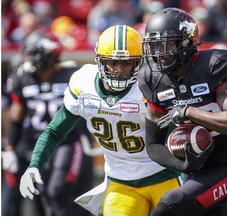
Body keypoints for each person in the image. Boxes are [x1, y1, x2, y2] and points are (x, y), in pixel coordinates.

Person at [19, 24, 181, 216]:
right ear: (100, 61)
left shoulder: (152, 85)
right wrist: (35, 164)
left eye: (126, 63)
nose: (119, 70)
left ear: (139, 63)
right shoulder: (83, 83)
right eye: (112, 62)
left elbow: (177, 131)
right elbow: (55, 132)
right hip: (121, 182)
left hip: (163, 177)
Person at [138, 7, 227, 216]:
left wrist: (189, 111)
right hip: (195, 170)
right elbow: (154, 145)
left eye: (167, 45)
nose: (159, 54)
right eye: (154, 46)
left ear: (186, 42)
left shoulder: (212, 65)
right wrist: (183, 164)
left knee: (171, 204)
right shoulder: (152, 79)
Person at [3, 30, 93, 216]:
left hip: (66, 142)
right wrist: (11, 148)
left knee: (57, 190)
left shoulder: (70, 75)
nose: (27, 58)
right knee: (44, 192)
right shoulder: (22, 79)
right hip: (36, 144)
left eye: (32, 54)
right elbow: (16, 116)